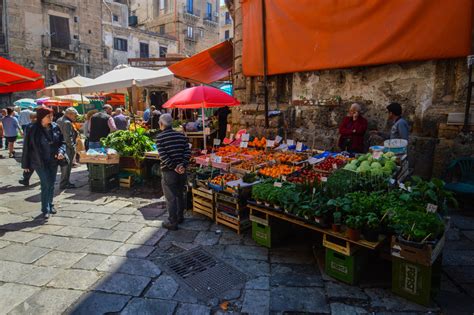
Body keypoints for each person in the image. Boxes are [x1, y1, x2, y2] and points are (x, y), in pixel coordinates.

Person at [21, 107, 66, 219]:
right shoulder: (31, 128)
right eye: (48, 116)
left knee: (51, 183)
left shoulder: (55, 127)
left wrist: (61, 151)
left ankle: (50, 205)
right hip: (39, 162)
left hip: (53, 160)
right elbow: (27, 147)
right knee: (46, 183)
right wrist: (25, 164)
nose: (51, 118)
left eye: (52, 115)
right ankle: (45, 208)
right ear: (41, 117)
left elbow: (62, 142)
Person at [156, 114, 191, 230]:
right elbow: (187, 151)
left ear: (161, 124)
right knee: (180, 194)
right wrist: (182, 165)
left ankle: (172, 222)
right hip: (181, 170)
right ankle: (180, 217)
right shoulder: (181, 135)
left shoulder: (160, 138)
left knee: (170, 197)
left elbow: (163, 156)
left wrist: (174, 166)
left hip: (168, 171)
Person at [57, 107, 79, 189]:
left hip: (62, 146)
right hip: (67, 147)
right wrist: (73, 147)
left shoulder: (60, 120)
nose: (75, 117)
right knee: (66, 166)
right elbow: (68, 138)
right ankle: (64, 184)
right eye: (75, 115)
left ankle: (65, 182)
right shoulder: (67, 122)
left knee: (64, 166)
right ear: (69, 114)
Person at [19, 112, 37, 186]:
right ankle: (25, 180)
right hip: (35, 149)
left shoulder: (29, 126)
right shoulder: (38, 126)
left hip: (31, 149)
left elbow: (26, 138)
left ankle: (25, 180)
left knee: (29, 165)